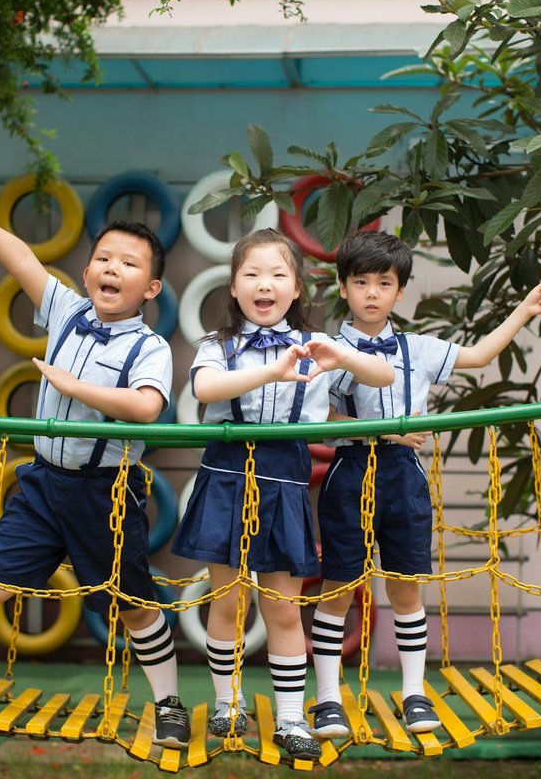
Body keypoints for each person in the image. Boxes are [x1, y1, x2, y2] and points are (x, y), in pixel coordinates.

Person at [0, 174, 190, 748]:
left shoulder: (151, 347)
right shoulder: (66, 311)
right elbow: (18, 255)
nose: (111, 269)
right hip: (45, 486)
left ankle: (170, 702)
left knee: (134, 606)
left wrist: (76, 387)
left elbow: (147, 408)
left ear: (151, 288)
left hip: (106, 492)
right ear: (88, 269)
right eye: (102, 258)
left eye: (128, 263)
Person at [309, 230, 541, 738]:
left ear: (400, 291)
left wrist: (523, 310)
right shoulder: (328, 349)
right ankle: (329, 700)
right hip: (350, 473)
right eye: (361, 282)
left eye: (385, 283)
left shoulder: (418, 349)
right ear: (343, 288)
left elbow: (481, 355)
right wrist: (391, 431)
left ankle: (414, 693)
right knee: (338, 588)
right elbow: (319, 417)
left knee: (406, 588)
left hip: (405, 481)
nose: (373, 293)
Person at [170, 228, 394, 759]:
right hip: (225, 479)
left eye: (277, 274)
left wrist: (339, 355)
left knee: (285, 610)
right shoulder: (217, 345)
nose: (263, 284)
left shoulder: (319, 349)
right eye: (251, 274)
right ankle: (228, 704)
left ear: (297, 288)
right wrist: (271, 370)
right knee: (226, 602)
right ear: (233, 286)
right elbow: (204, 390)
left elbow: (383, 376)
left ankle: (292, 718)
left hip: (285, 486)